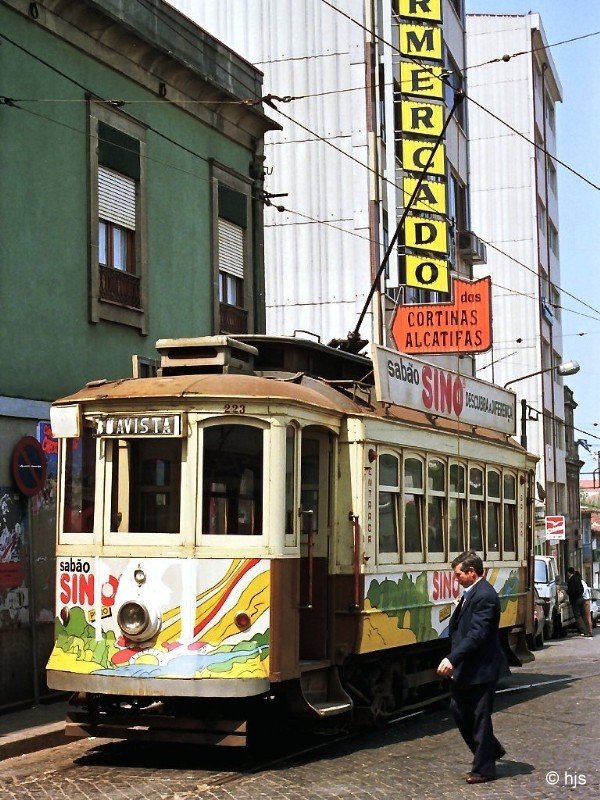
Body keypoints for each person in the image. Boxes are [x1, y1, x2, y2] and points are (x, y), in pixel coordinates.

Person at [437, 551, 510, 784]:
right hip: (469, 668)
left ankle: (484, 769)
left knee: (479, 718)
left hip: (480, 669)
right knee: (459, 711)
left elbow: (477, 634)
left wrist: (452, 658)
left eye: (458, 574)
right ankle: (491, 749)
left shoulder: (485, 596)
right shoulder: (471, 593)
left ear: (471, 572)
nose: (455, 577)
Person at [566, 567, 589, 637]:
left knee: (578, 616)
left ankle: (584, 631)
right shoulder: (578, 578)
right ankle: (587, 630)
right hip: (581, 598)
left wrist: (567, 592)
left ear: (569, 573)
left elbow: (572, 591)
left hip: (575, 600)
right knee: (583, 615)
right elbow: (582, 588)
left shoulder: (571, 580)